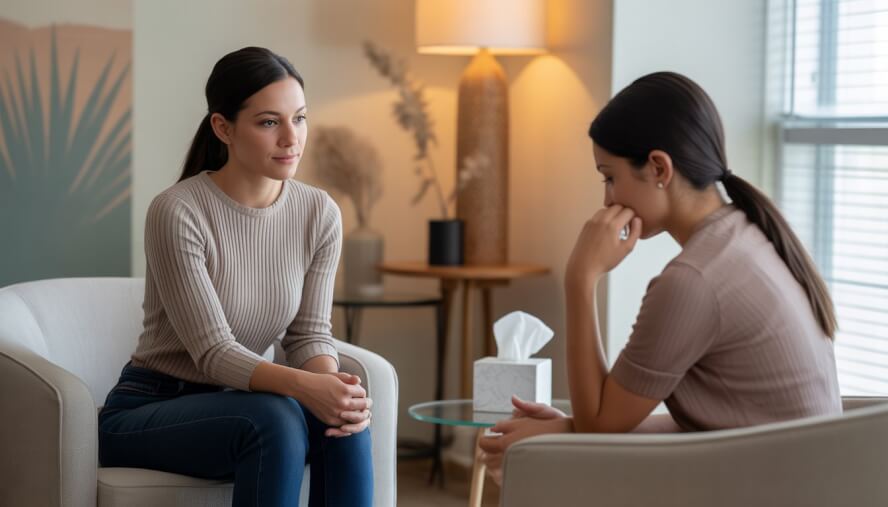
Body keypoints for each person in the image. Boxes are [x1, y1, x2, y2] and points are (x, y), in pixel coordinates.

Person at [479, 71, 841, 482]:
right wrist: (567, 429)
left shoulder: (693, 281)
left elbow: (599, 426)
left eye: (610, 177)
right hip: (802, 479)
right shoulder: (747, 235)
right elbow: (706, 428)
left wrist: (580, 277)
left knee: (558, 475)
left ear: (658, 168)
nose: (607, 199)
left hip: (775, 488)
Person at [98, 47, 373, 507]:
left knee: (345, 420)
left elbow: (308, 335)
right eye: (269, 122)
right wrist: (306, 388)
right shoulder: (178, 211)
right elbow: (213, 352)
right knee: (274, 418)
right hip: (152, 408)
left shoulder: (318, 212)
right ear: (223, 128)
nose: (291, 138)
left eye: (299, 118)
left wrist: (332, 392)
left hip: (247, 403)